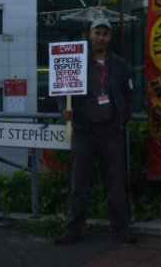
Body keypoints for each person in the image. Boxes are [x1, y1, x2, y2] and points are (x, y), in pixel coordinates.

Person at [54, 18, 137, 245]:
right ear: (89, 35)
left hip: (111, 130)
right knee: (78, 183)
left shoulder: (120, 64)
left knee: (116, 181)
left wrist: (125, 115)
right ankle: (74, 229)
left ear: (110, 37)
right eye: (97, 33)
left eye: (105, 34)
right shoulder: (76, 61)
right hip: (84, 130)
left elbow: (130, 93)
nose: (101, 37)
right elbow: (61, 90)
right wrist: (64, 109)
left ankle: (121, 228)